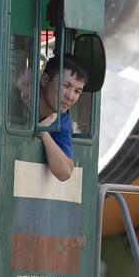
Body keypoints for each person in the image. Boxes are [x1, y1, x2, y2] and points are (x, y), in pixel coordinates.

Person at [36, 54, 88, 182]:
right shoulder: (17, 102)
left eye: (77, 91)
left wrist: (42, 131)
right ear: (45, 79)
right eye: (66, 86)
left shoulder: (62, 120)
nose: (70, 96)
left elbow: (64, 172)